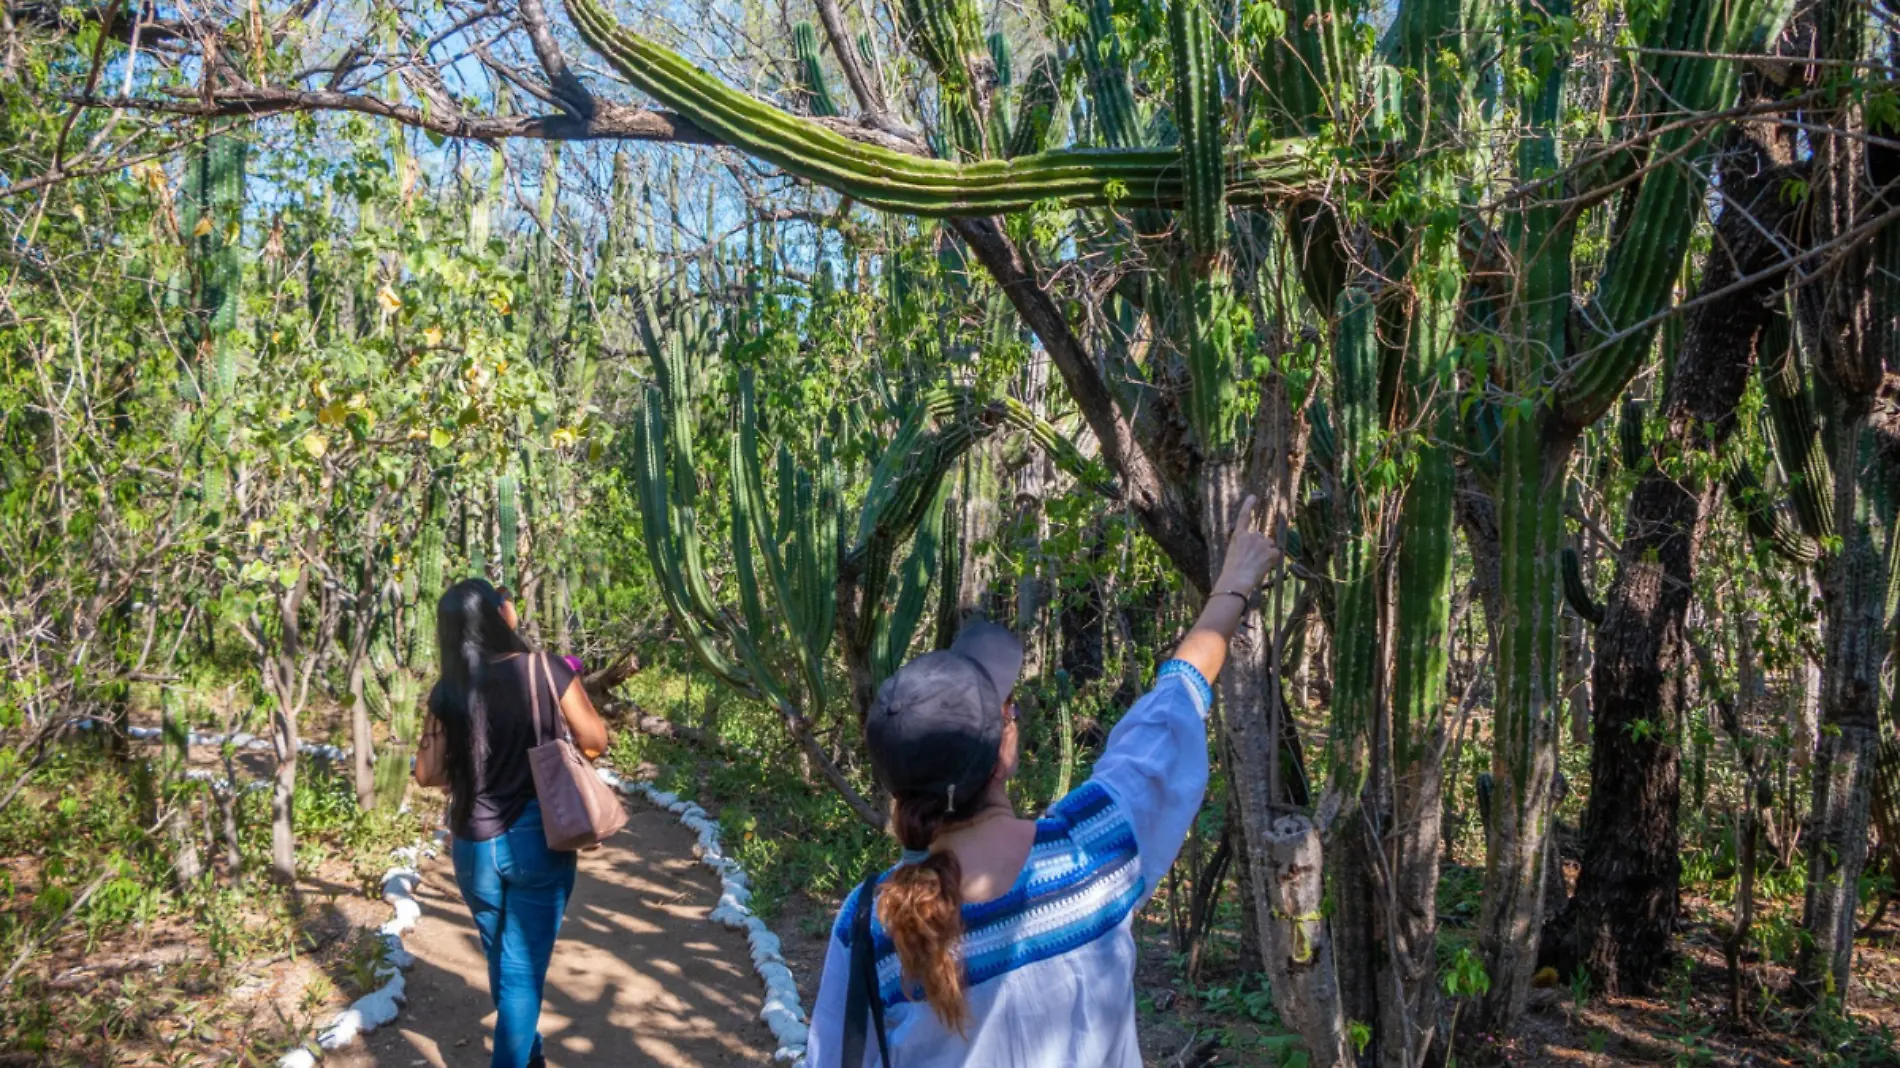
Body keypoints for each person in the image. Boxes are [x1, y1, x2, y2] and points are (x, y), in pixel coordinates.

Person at [805, 497, 1282, 1067]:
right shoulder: (1095, 848)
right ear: (1004, 751)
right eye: (1007, 708)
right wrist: (1233, 584)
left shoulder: (870, 923)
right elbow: (1175, 700)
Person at [414, 578, 610, 1068]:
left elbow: (427, 773)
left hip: (471, 844)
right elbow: (595, 738)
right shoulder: (544, 669)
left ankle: (531, 1056)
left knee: (504, 962)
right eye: (505, 603)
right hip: (536, 838)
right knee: (521, 974)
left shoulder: (447, 690)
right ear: (499, 615)